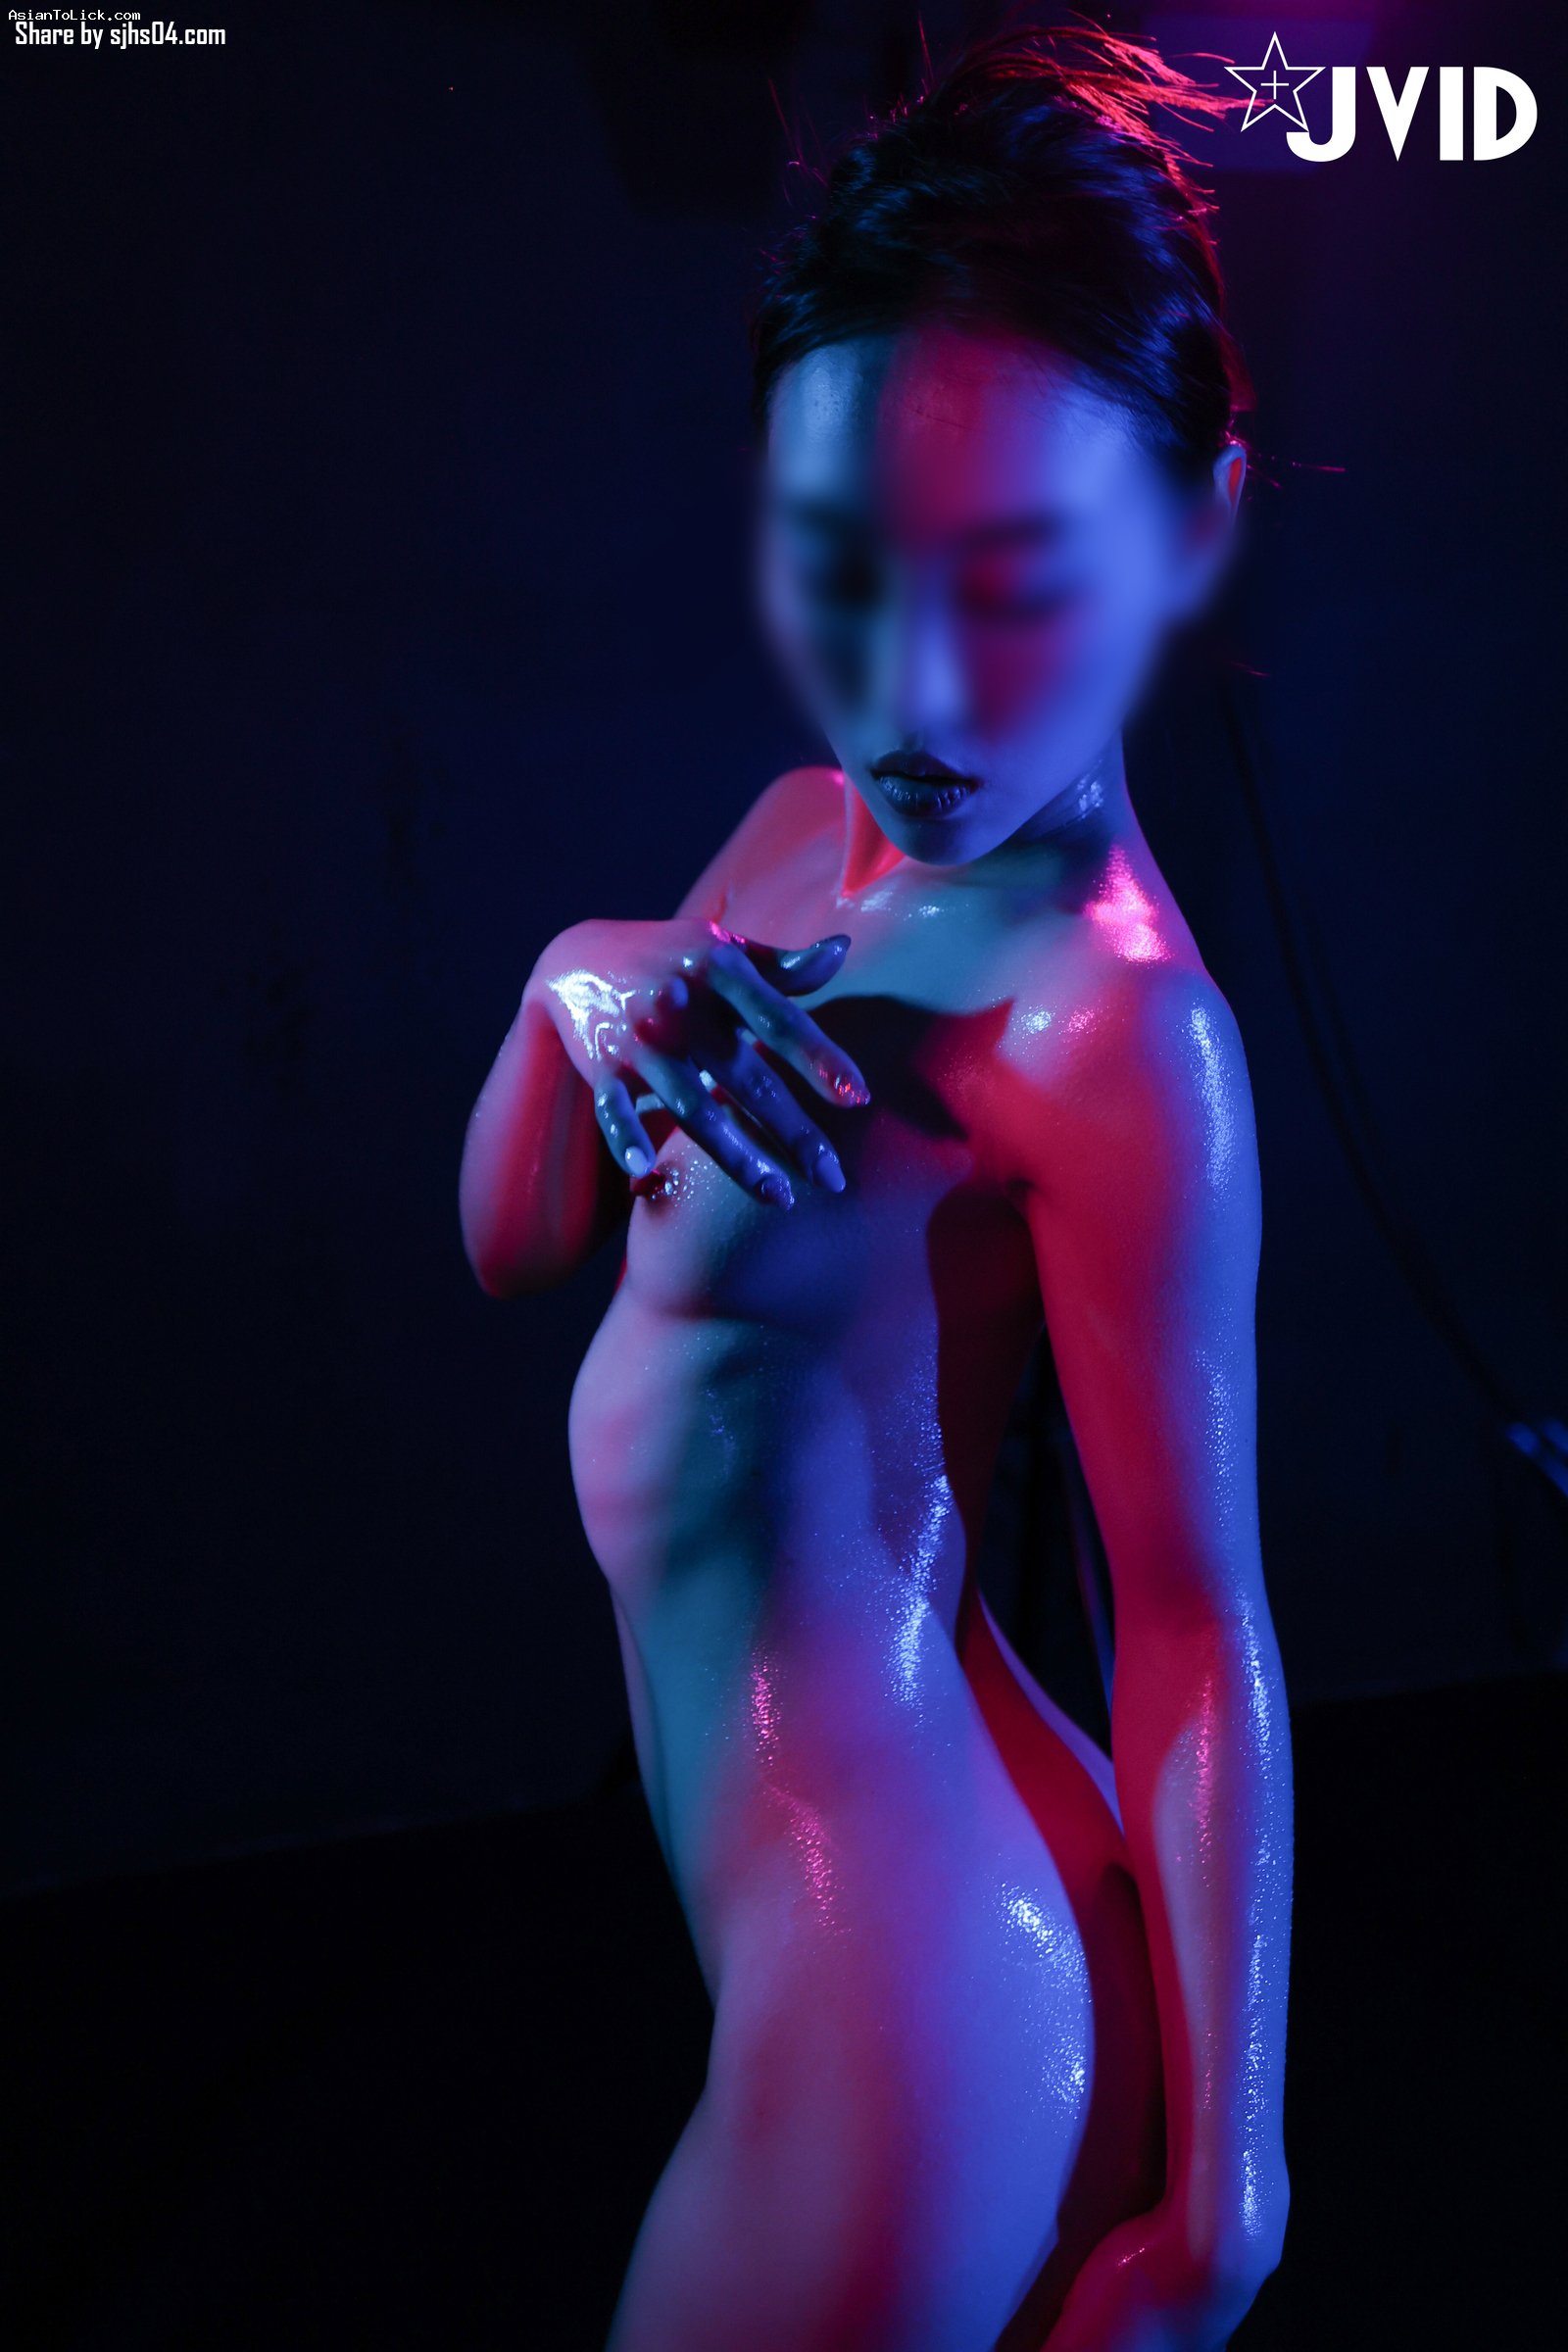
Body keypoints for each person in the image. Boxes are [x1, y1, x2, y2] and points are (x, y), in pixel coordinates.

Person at [460, 27, 1292, 2350]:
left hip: (916, 1988)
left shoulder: (1111, 1036)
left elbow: (1190, 1618)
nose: (909, 695)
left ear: (1187, 522)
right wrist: (574, 976)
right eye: (841, 570)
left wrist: (1225, 2201)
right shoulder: (787, 842)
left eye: (1014, 583)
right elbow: (519, 1242)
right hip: (809, 1916)